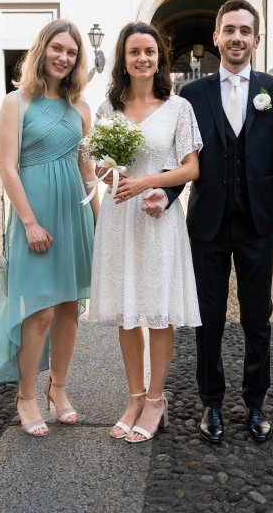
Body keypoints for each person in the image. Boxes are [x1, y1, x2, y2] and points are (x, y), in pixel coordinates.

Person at [144, 0, 273, 443]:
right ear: (216, 37)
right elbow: (180, 158)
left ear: (256, 39)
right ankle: (211, 403)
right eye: (229, 29)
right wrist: (166, 194)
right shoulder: (193, 94)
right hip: (206, 222)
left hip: (256, 224)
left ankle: (255, 403)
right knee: (207, 316)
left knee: (257, 317)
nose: (237, 37)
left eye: (245, 31)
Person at [0, 19, 99, 437]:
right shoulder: (16, 102)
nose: (64, 57)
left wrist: (100, 222)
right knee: (39, 311)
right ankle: (25, 396)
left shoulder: (81, 109)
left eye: (72, 53)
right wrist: (29, 221)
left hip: (73, 216)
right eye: (57, 48)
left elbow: (87, 170)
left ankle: (57, 389)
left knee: (69, 309)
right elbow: (7, 167)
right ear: (42, 50)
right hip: (34, 215)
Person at [89, 22, 202, 444]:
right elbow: (100, 168)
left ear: (160, 59)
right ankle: (134, 396)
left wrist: (150, 182)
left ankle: (156, 399)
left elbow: (191, 167)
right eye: (134, 51)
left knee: (156, 310)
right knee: (126, 311)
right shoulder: (106, 110)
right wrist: (111, 173)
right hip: (120, 218)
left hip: (159, 220)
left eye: (149, 52)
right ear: (123, 58)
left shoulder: (178, 107)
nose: (142, 58)